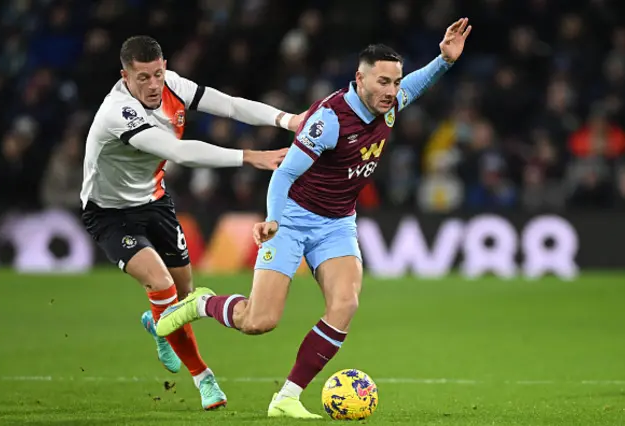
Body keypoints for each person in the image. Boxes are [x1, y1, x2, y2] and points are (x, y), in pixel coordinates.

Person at [156, 18, 472, 418]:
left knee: (345, 304)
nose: (392, 91)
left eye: (395, 82)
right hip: (292, 218)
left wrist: (444, 60)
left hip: (337, 223)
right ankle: (201, 304)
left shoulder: (389, 105)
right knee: (259, 320)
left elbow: (418, 85)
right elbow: (285, 171)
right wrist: (272, 218)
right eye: (383, 82)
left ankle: (287, 396)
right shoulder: (330, 120)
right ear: (360, 79)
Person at [80, 35, 303, 411]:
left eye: (157, 74)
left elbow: (230, 106)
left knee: (182, 300)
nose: (153, 85)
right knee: (162, 284)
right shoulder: (117, 112)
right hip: (109, 213)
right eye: (143, 78)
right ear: (125, 76)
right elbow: (178, 151)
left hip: (155, 202)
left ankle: (159, 323)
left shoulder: (173, 86)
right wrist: (251, 156)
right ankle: (204, 378)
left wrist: (286, 119)